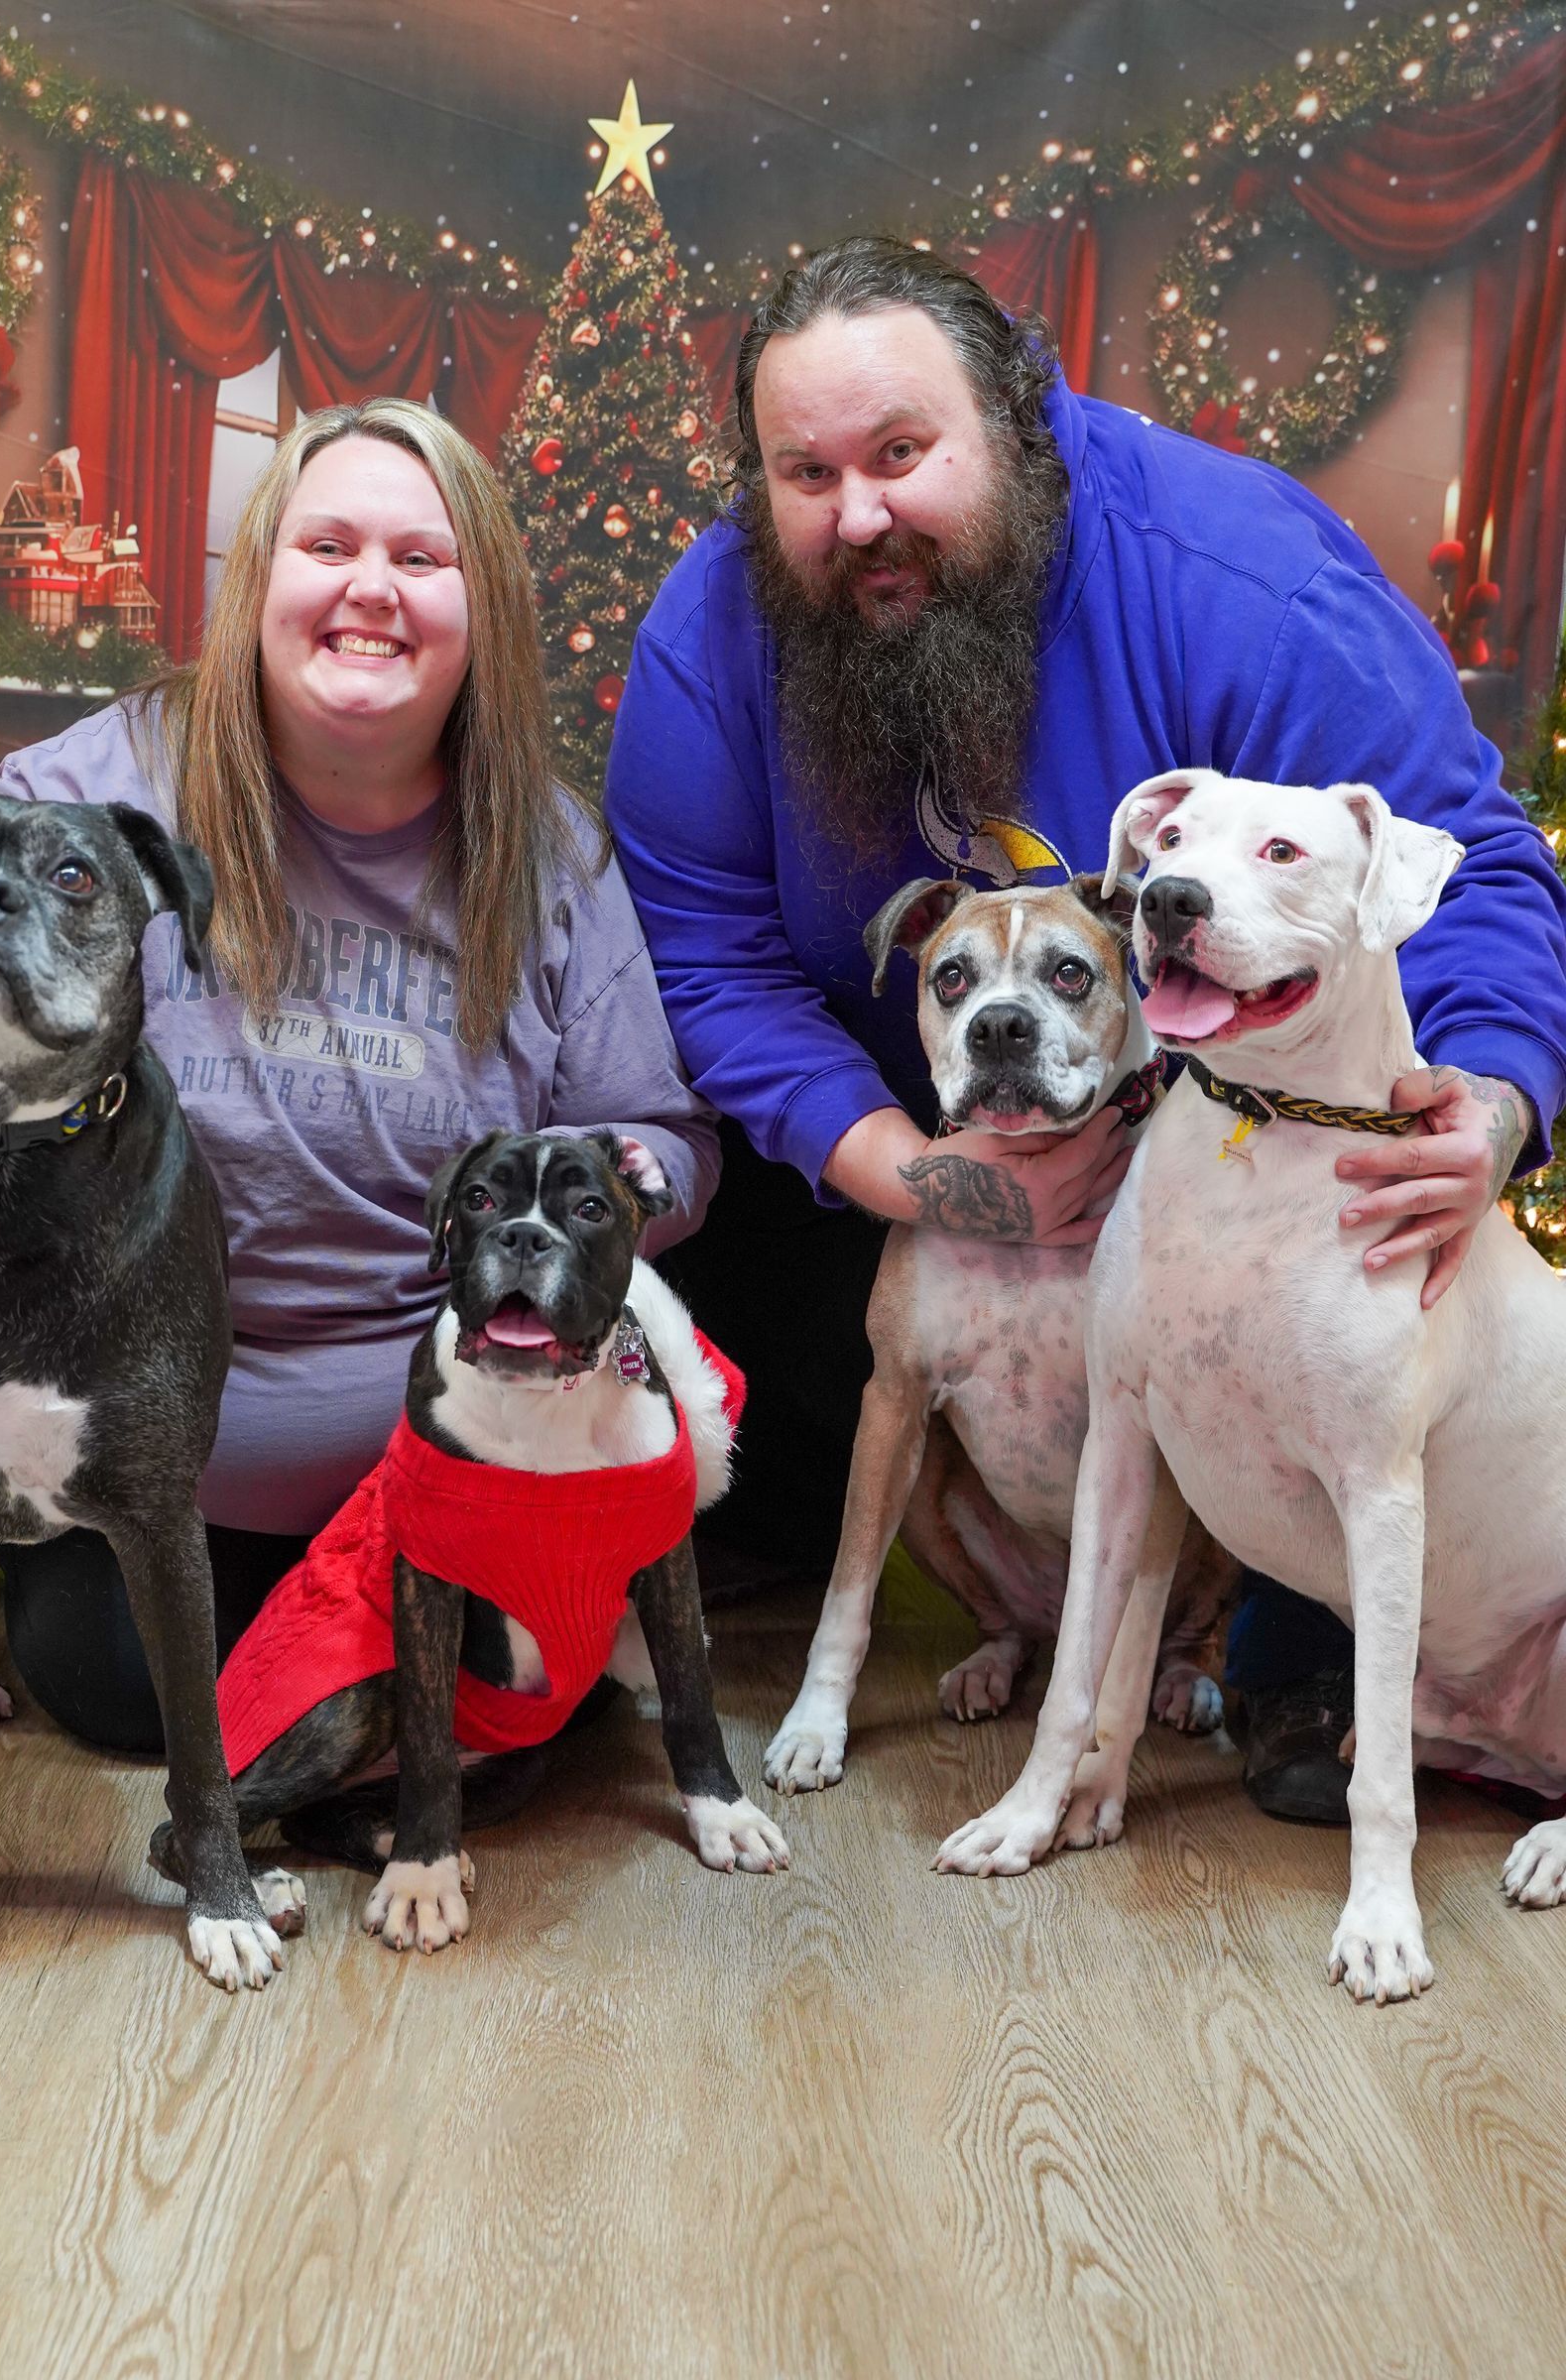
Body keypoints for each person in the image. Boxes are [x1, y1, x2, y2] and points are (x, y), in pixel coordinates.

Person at [605, 235, 1566, 1825]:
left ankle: (1292, 1641)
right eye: (808, 472)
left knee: (1369, 1327)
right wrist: (923, 1177)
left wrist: (1487, 1105)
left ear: (1021, 423)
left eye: (905, 454)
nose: (860, 516)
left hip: (1235, 1138)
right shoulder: (715, 634)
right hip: (896, 1142)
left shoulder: (1238, 580)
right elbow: (709, 962)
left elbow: (1465, 855)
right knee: (776, 1420)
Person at [0, 398, 717, 1756]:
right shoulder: (109, 784)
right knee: (127, 1692)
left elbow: (663, 1134)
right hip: (142, 1443)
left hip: (460, 1447)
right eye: (327, 545)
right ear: (261, 581)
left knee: (510, 1712)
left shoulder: (550, 851)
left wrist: (640, 1178)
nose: (369, 590)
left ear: (485, 611)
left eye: (421, 557)